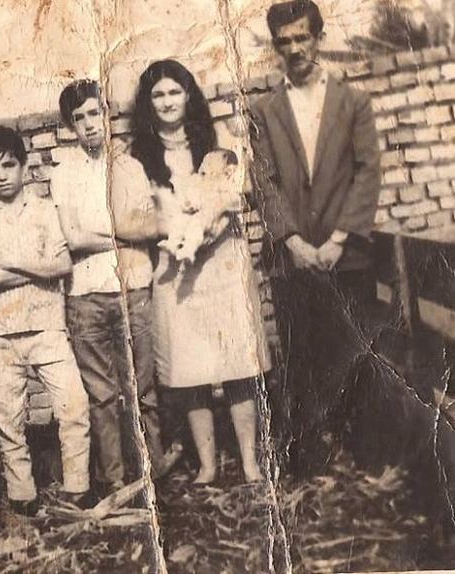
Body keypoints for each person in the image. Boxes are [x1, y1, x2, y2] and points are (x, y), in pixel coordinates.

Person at [120, 59, 270, 484]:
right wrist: (170, 225)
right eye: (158, 95)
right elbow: (125, 222)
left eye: (174, 92)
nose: (168, 102)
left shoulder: (216, 141)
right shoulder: (136, 158)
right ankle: (207, 465)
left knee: (239, 363)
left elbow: (244, 192)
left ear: (189, 96)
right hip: (176, 270)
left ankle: (250, 461)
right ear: (148, 105)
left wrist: (216, 220)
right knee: (191, 370)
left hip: (222, 262)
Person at [249, 0, 381, 476]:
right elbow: (263, 180)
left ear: (318, 38)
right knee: (299, 358)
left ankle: (365, 450)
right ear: (276, 47)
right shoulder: (264, 111)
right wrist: (292, 242)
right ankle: (308, 460)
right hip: (294, 259)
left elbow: (367, 174)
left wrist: (340, 238)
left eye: (302, 37)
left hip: (347, 255)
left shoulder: (353, 103)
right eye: (285, 41)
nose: (295, 48)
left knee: (356, 351)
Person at [51, 79, 180, 494]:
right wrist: (123, 234)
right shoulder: (64, 172)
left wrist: (122, 232)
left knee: (142, 386)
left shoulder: (130, 167)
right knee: (102, 395)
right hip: (86, 294)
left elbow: (148, 226)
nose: (90, 125)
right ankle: (113, 477)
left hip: (134, 286)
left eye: (95, 114)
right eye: (79, 119)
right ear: (70, 126)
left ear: (107, 114)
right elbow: (74, 238)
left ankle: (155, 470)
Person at [0, 125, 92, 514]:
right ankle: (23, 497)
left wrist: (14, 261)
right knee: (9, 419)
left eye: (9, 165)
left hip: (46, 324)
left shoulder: (43, 210)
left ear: (23, 165)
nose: (2, 176)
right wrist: (36, 268)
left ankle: (78, 488)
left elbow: (61, 264)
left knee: (74, 405)